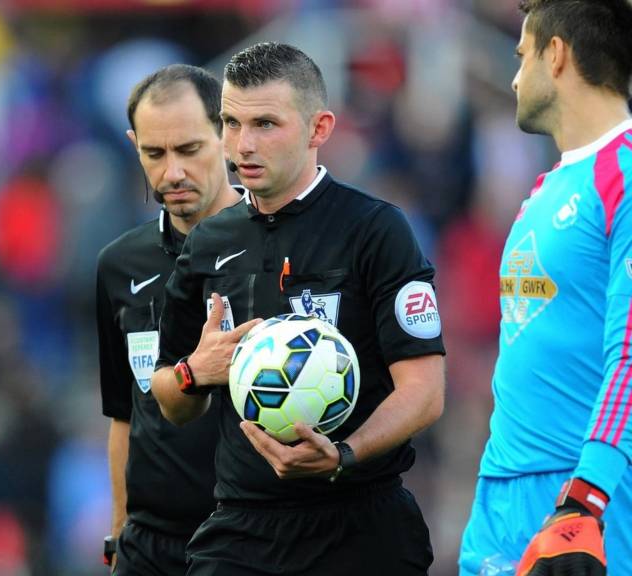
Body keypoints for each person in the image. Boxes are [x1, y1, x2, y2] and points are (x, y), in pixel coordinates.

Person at [149, 42, 446, 575]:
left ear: (319, 128)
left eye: (266, 124)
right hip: (244, 528)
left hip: (362, 525)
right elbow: (168, 394)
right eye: (230, 123)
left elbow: (425, 392)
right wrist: (198, 371)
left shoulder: (375, 230)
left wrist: (345, 453)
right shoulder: (208, 242)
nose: (242, 144)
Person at [459, 1, 632, 574]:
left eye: (520, 54)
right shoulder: (547, 187)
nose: (512, 76)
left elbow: (629, 351)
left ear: (555, 55)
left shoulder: (625, 175)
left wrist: (589, 493)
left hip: (582, 503)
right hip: (501, 496)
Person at [96, 64, 244, 575]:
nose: (172, 172)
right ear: (134, 145)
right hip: (151, 546)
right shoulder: (119, 266)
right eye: (154, 154)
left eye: (188, 149)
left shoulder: (276, 245)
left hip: (252, 537)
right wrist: (119, 536)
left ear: (225, 135)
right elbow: (123, 416)